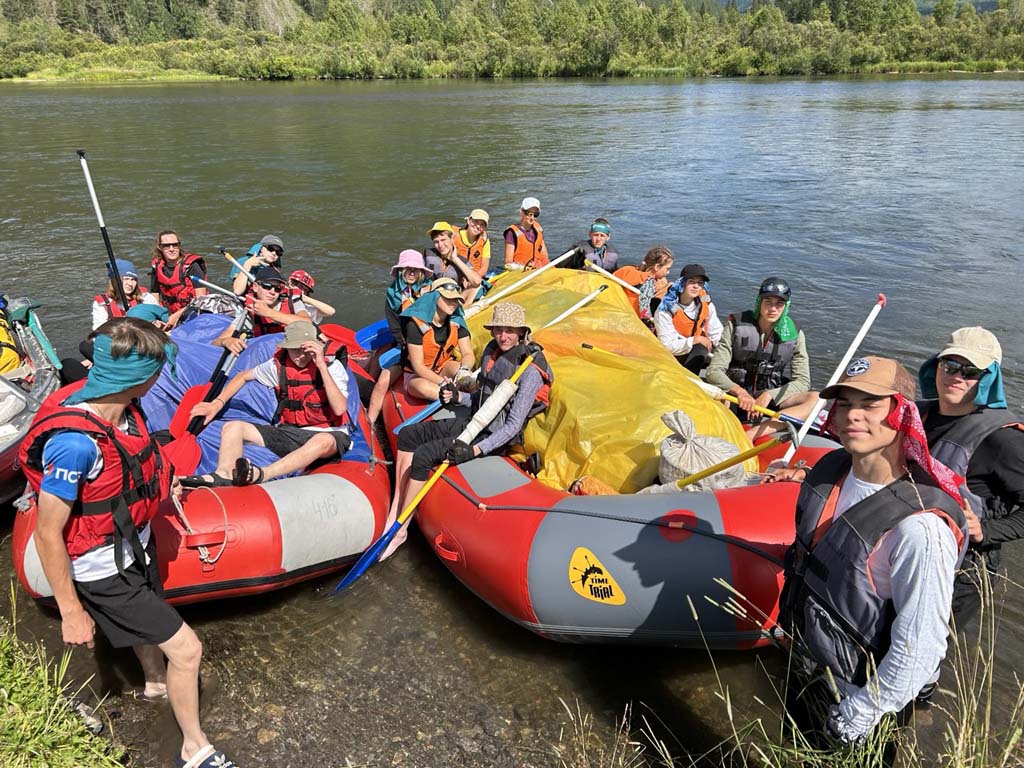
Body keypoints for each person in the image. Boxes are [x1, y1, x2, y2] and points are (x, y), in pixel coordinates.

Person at [17, 318, 240, 768]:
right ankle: (193, 747)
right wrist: (71, 611)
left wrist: (165, 480)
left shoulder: (128, 408)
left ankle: (155, 682)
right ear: (140, 377)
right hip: (102, 567)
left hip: (134, 544)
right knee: (188, 649)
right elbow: (47, 532)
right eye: (159, 368)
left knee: (153, 635)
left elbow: (140, 455)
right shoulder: (75, 445)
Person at [777, 356, 967, 747]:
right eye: (844, 403)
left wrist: (857, 716)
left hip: (859, 707)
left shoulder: (921, 530)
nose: (852, 415)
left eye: (870, 403)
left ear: (902, 413)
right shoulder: (832, 470)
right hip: (807, 669)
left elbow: (920, 647)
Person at [383, 302, 553, 559]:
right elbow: (480, 399)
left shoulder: (529, 371)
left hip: (491, 437)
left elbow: (513, 426)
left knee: (424, 454)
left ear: (520, 332)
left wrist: (473, 449)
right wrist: (457, 399)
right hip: (475, 420)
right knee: (408, 435)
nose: (502, 336)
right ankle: (398, 507)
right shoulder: (492, 351)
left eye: (509, 330)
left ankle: (401, 530)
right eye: (497, 330)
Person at [916, 327, 1024, 627]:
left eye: (970, 371)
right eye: (949, 365)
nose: (956, 376)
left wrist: (985, 531)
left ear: (989, 378)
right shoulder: (915, 415)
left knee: (920, 660)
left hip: (960, 571)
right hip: (907, 554)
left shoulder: (1003, 440)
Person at [183, 321, 352, 487]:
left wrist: (321, 366)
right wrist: (216, 404)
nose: (301, 356)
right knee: (233, 427)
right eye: (295, 350)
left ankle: (261, 474)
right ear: (286, 348)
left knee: (323, 441)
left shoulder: (332, 367)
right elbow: (242, 376)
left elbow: (339, 409)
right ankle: (225, 473)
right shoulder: (277, 366)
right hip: (291, 433)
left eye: (305, 350)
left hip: (329, 434)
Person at [705, 277, 817, 439]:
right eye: (768, 302)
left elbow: (803, 381)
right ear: (759, 302)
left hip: (770, 393)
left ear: (786, 307)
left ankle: (752, 435)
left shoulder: (796, 334)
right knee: (719, 398)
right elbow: (713, 371)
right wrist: (740, 392)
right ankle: (723, 431)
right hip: (735, 393)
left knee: (816, 398)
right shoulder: (735, 324)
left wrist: (770, 395)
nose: (773, 309)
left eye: (779, 304)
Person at [366, 250, 434, 425]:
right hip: (405, 346)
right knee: (382, 381)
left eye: (415, 269)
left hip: (427, 345)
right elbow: (395, 326)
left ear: (421, 272)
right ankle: (370, 423)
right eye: (407, 268)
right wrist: (406, 348)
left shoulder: (430, 290)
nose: (411, 272)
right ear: (401, 270)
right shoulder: (392, 293)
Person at [401, 278, 475, 402]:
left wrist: (465, 370)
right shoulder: (415, 325)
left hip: (442, 369)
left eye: (456, 299)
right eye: (448, 298)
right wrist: (442, 383)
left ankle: (468, 397)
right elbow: (418, 366)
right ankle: (456, 397)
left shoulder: (457, 322)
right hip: (417, 376)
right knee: (423, 387)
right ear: (434, 297)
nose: (453, 303)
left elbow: (468, 354)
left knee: (458, 367)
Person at [213, 266, 309, 354]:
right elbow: (216, 342)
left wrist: (268, 312)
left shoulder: (292, 302)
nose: (272, 292)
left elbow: (307, 323)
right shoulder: (251, 312)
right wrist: (226, 341)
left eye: (277, 289)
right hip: (269, 353)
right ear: (255, 287)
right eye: (267, 286)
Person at [653, 263, 723, 374]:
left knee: (707, 351)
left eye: (700, 283)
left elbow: (715, 331)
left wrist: (725, 351)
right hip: (669, 353)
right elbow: (667, 345)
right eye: (691, 282)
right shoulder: (667, 308)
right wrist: (695, 340)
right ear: (682, 283)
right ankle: (687, 379)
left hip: (691, 351)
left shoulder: (706, 303)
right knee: (700, 347)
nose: (696, 286)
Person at [149, 230, 207, 328]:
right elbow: (155, 295)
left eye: (175, 245)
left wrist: (176, 316)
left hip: (193, 313)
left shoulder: (192, 266)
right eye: (167, 246)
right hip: (169, 313)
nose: (172, 249)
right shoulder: (157, 266)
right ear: (160, 247)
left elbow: (201, 299)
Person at [612, 245, 674, 326]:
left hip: (617, 310)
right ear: (657, 267)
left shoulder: (628, 270)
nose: (668, 272)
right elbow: (644, 312)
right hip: (631, 320)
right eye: (667, 269)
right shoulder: (648, 283)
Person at [92, 259, 161, 330]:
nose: (130, 284)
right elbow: (99, 330)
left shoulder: (145, 297)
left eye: (133, 279)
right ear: (115, 282)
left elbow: (159, 317)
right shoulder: (103, 304)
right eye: (126, 279)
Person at [422, 221, 483, 301]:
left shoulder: (463, 262)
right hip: (432, 296)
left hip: (451, 298)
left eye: (443, 240)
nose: (440, 245)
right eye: (436, 242)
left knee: (476, 289)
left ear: (452, 238)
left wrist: (455, 259)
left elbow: (477, 282)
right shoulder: (428, 255)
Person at [504, 197, 548, 270]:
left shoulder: (538, 228)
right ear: (521, 212)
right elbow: (508, 262)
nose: (532, 218)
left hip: (538, 269)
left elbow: (544, 256)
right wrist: (522, 268)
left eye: (535, 215)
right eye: (529, 214)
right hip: (521, 272)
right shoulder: (512, 233)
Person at [451, 208, 491, 282]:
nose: (478, 226)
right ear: (468, 221)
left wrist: (471, 279)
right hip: (455, 276)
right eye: (475, 221)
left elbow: (484, 268)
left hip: (474, 278)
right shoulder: (453, 235)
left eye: (482, 224)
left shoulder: (485, 241)